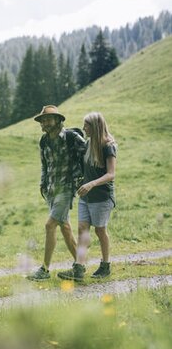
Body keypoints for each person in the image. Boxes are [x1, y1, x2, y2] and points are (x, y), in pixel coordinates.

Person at [27, 105, 86, 281]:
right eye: (42, 120)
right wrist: (42, 184)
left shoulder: (71, 137)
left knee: (50, 225)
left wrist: (83, 179)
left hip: (66, 188)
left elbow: (89, 155)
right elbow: (44, 165)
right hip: (51, 190)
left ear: (58, 120)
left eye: (47, 119)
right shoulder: (43, 141)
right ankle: (79, 267)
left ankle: (44, 270)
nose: (44, 123)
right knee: (65, 228)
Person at [58, 112, 116, 282]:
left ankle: (105, 265)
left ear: (95, 126)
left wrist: (91, 184)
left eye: (86, 125)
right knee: (83, 229)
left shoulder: (108, 146)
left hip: (101, 197)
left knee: (100, 231)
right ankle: (79, 268)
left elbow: (111, 174)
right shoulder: (88, 144)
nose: (84, 129)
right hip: (86, 197)